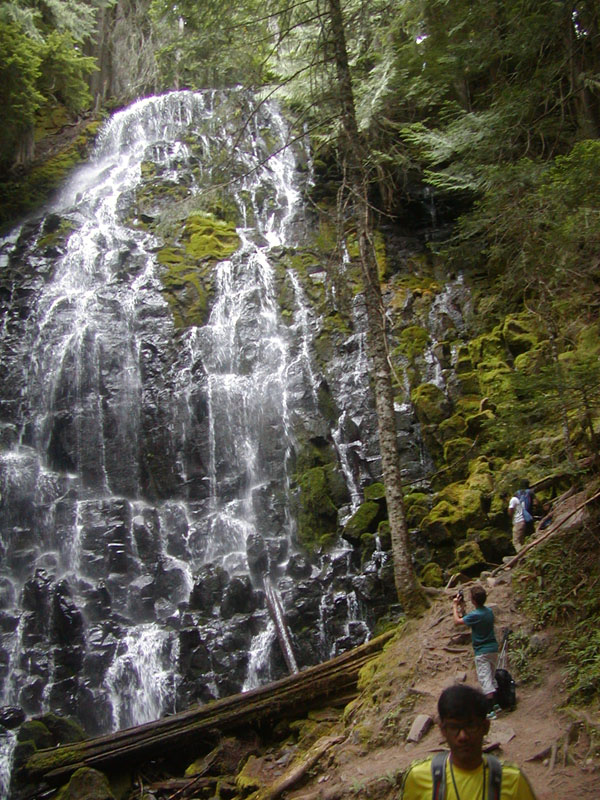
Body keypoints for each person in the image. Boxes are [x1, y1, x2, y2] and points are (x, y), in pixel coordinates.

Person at [400, 685, 538, 799]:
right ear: (443, 730)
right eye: (454, 727)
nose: (462, 736)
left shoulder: (512, 780)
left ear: (485, 727)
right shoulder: (418, 778)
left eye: (470, 726)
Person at [453, 585, 498, 714]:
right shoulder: (488, 611)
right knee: (491, 677)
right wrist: (463, 607)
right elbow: (469, 619)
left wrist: (455, 606)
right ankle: (496, 705)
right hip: (493, 649)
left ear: (473, 600)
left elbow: (457, 622)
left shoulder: (476, 615)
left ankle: (490, 711)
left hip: (482, 651)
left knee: (485, 679)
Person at [508, 480, 536, 551]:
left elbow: (513, 508)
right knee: (529, 536)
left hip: (519, 518)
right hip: (528, 517)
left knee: (517, 540)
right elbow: (536, 503)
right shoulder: (530, 492)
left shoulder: (516, 494)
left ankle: (522, 554)